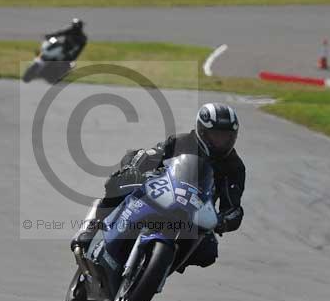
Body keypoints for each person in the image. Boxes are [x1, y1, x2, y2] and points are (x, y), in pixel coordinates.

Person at [71, 103, 245, 271]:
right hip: (164, 191)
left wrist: (223, 221)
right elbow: (149, 155)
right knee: (118, 182)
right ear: (202, 131)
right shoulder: (181, 142)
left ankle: (160, 268)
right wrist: (134, 167)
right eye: (216, 135)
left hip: (195, 213)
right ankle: (92, 227)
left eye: (226, 137)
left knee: (208, 252)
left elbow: (233, 208)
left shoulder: (234, 167)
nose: (221, 142)